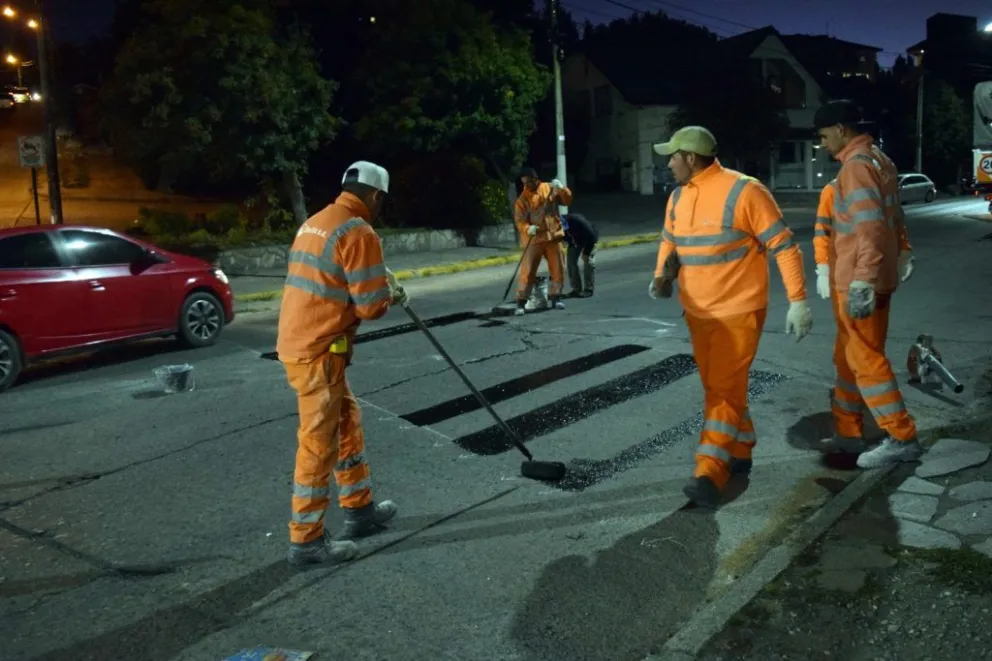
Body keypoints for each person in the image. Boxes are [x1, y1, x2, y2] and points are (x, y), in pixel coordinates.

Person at [649, 126, 813, 508]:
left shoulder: (745, 191)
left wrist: (798, 301)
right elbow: (670, 242)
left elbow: (784, 246)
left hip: (738, 311)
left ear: (690, 157)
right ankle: (740, 448)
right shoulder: (677, 198)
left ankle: (710, 471)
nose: (669, 163)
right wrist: (662, 276)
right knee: (718, 386)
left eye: (672, 156)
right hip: (698, 311)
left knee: (723, 390)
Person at [276, 161, 408, 567]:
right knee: (318, 445)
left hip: (301, 341)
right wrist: (389, 294)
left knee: (347, 420)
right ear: (376, 195)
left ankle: (359, 509)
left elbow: (332, 279)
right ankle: (307, 540)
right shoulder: (359, 230)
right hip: (319, 352)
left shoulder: (318, 222)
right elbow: (369, 307)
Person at [813, 100, 923, 468]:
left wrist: (862, 280)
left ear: (842, 129)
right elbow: (894, 217)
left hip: (859, 280)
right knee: (848, 357)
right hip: (875, 276)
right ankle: (848, 430)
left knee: (865, 359)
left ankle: (902, 436)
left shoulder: (855, 168)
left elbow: (871, 227)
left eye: (825, 135)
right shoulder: (880, 160)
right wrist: (901, 254)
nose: (823, 143)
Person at [513, 167, 573, 315]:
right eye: (524, 183)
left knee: (558, 269)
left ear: (535, 179)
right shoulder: (522, 200)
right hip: (534, 239)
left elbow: (566, 201)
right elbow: (520, 220)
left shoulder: (550, 188)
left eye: (529, 182)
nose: (527, 186)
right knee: (527, 272)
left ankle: (556, 297)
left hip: (553, 236)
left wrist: (562, 189)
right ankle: (521, 302)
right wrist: (527, 228)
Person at [562, 212, 599, 298]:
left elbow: (592, 236)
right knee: (571, 262)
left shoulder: (577, 220)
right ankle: (576, 289)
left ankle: (588, 289)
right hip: (575, 242)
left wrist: (586, 252)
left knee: (588, 261)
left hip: (589, 239)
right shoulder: (553, 227)